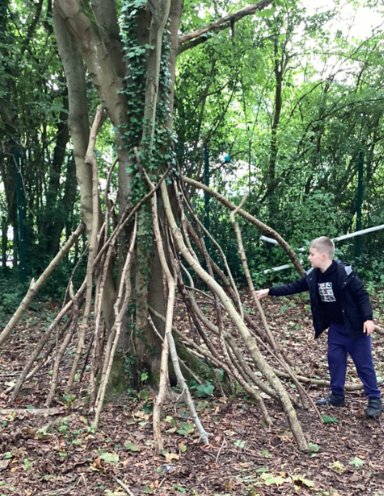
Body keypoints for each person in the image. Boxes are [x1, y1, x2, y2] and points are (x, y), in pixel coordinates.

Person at [255, 236, 382, 418]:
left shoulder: (344, 273)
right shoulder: (313, 276)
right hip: (337, 329)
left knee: (364, 365)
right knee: (335, 361)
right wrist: (269, 291)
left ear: (323, 256)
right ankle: (337, 396)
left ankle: (375, 399)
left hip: (355, 329)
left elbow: (361, 295)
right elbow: (293, 287)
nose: (309, 258)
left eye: (311, 254)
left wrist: (368, 319)